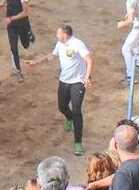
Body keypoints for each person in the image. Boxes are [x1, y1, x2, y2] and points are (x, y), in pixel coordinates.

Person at [32, 23, 93, 154]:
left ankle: (78, 142)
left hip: (78, 82)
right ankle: (69, 117)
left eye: (58, 33)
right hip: (64, 81)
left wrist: (87, 77)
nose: (56, 35)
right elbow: (51, 56)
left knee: (77, 111)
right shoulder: (59, 45)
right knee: (62, 107)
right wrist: (36, 62)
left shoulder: (78, 44)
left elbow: (89, 60)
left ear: (64, 35)